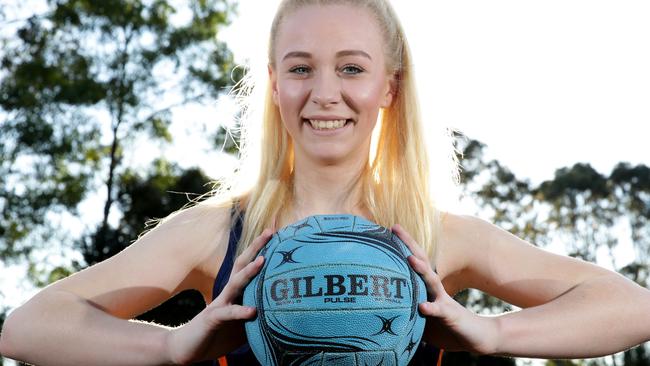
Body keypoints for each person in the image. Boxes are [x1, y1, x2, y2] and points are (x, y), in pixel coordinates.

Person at [1, 0, 649, 365]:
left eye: (352, 68)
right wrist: (173, 348)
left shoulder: (436, 238)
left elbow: (632, 307)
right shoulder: (219, 233)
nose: (325, 94)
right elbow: (28, 326)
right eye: (302, 67)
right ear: (276, 83)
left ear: (389, 87)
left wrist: (495, 331)